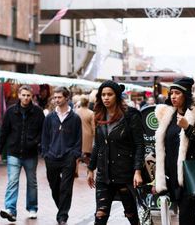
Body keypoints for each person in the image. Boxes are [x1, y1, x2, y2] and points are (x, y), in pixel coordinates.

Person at [155, 77, 195, 225]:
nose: (173, 96)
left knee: (185, 218)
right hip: (174, 177)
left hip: (193, 175)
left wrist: (188, 128)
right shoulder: (168, 116)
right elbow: (164, 147)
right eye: (171, 93)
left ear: (185, 94)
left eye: (177, 93)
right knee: (189, 218)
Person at [87, 80, 144, 225]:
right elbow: (97, 144)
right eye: (103, 95)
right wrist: (90, 168)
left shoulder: (131, 115)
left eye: (109, 94)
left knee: (131, 214)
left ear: (117, 96)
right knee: (100, 215)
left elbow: (139, 144)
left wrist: (137, 171)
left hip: (124, 173)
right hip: (104, 175)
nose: (105, 98)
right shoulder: (99, 115)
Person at [0, 85, 45, 222]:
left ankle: (32, 208)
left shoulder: (38, 112)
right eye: (23, 95)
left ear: (32, 96)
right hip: (14, 152)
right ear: (19, 95)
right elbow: (4, 131)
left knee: (32, 182)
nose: (26, 98)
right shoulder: (11, 112)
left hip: (31, 153)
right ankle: (10, 209)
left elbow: (43, 132)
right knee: (12, 181)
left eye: (28, 95)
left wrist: (36, 142)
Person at [41, 86, 82, 225]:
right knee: (54, 186)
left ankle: (62, 216)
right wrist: (45, 153)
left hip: (68, 158)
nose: (56, 100)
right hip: (51, 157)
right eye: (55, 97)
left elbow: (78, 138)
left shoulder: (75, 118)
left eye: (59, 97)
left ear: (66, 98)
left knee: (66, 187)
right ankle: (62, 209)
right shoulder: (49, 117)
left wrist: (74, 155)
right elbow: (45, 136)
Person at [75, 95, 95, 167]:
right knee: (88, 156)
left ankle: (75, 170)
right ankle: (89, 170)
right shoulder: (91, 113)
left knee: (77, 155)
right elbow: (94, 127)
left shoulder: (76, 112)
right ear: (88, 103)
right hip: (88, 136)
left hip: (78, 135)